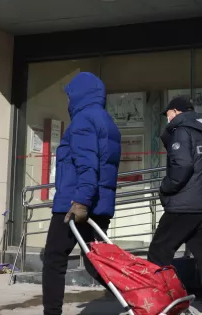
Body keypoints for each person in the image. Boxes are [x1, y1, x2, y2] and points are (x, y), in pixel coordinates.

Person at [42, 72, 121, 315]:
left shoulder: (83, 120)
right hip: (99, 203)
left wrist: (81, 201)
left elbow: (88, 166)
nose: (68, 101)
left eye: (69, 95)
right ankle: (140, 296)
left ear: (79, 95)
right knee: (96, 262)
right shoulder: (106, 120)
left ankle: (51, 313)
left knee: (54, 258)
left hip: (75, 202)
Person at [148, 97, 202, 314]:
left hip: (185, 204)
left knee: (158, 251)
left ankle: (159, 301)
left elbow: (182, 166)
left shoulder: (181, 131)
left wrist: (165, 187)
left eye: (167, 114)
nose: (167, 118)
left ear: (175, 111)